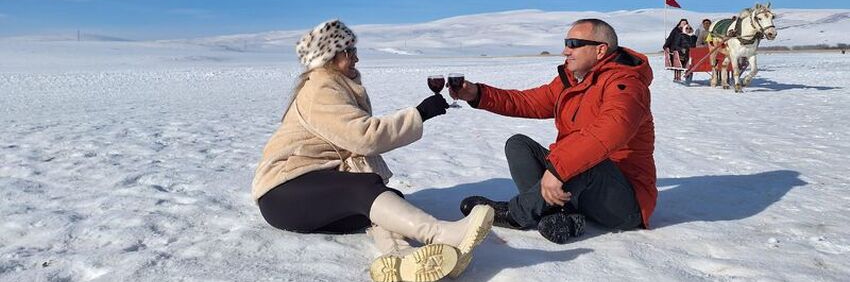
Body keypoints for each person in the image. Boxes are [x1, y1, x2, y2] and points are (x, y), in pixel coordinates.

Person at [252, 19, 494, 282]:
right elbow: (364, 137)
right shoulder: (321, 88)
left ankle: (400, 257)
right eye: (349, 51)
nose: (356, 57)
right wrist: (419, 114)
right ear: (329, 57)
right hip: (283, 192)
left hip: (306, 196)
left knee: (387, 199)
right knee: (363, 189)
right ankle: (441, 234)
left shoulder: (337, 84)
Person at [449, 19, 656, 244]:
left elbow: (615, 127)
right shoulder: (574, 81)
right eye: (566, 43)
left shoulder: (626, 84)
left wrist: (558, 169)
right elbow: (527, 101)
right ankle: (561, 216)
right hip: (582, 187)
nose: (566, 50)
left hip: (624, 203)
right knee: (519, 144)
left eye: (574, 43)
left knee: (581, 160)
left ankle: (516, 214)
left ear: (600, 50)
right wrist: (478, 94)